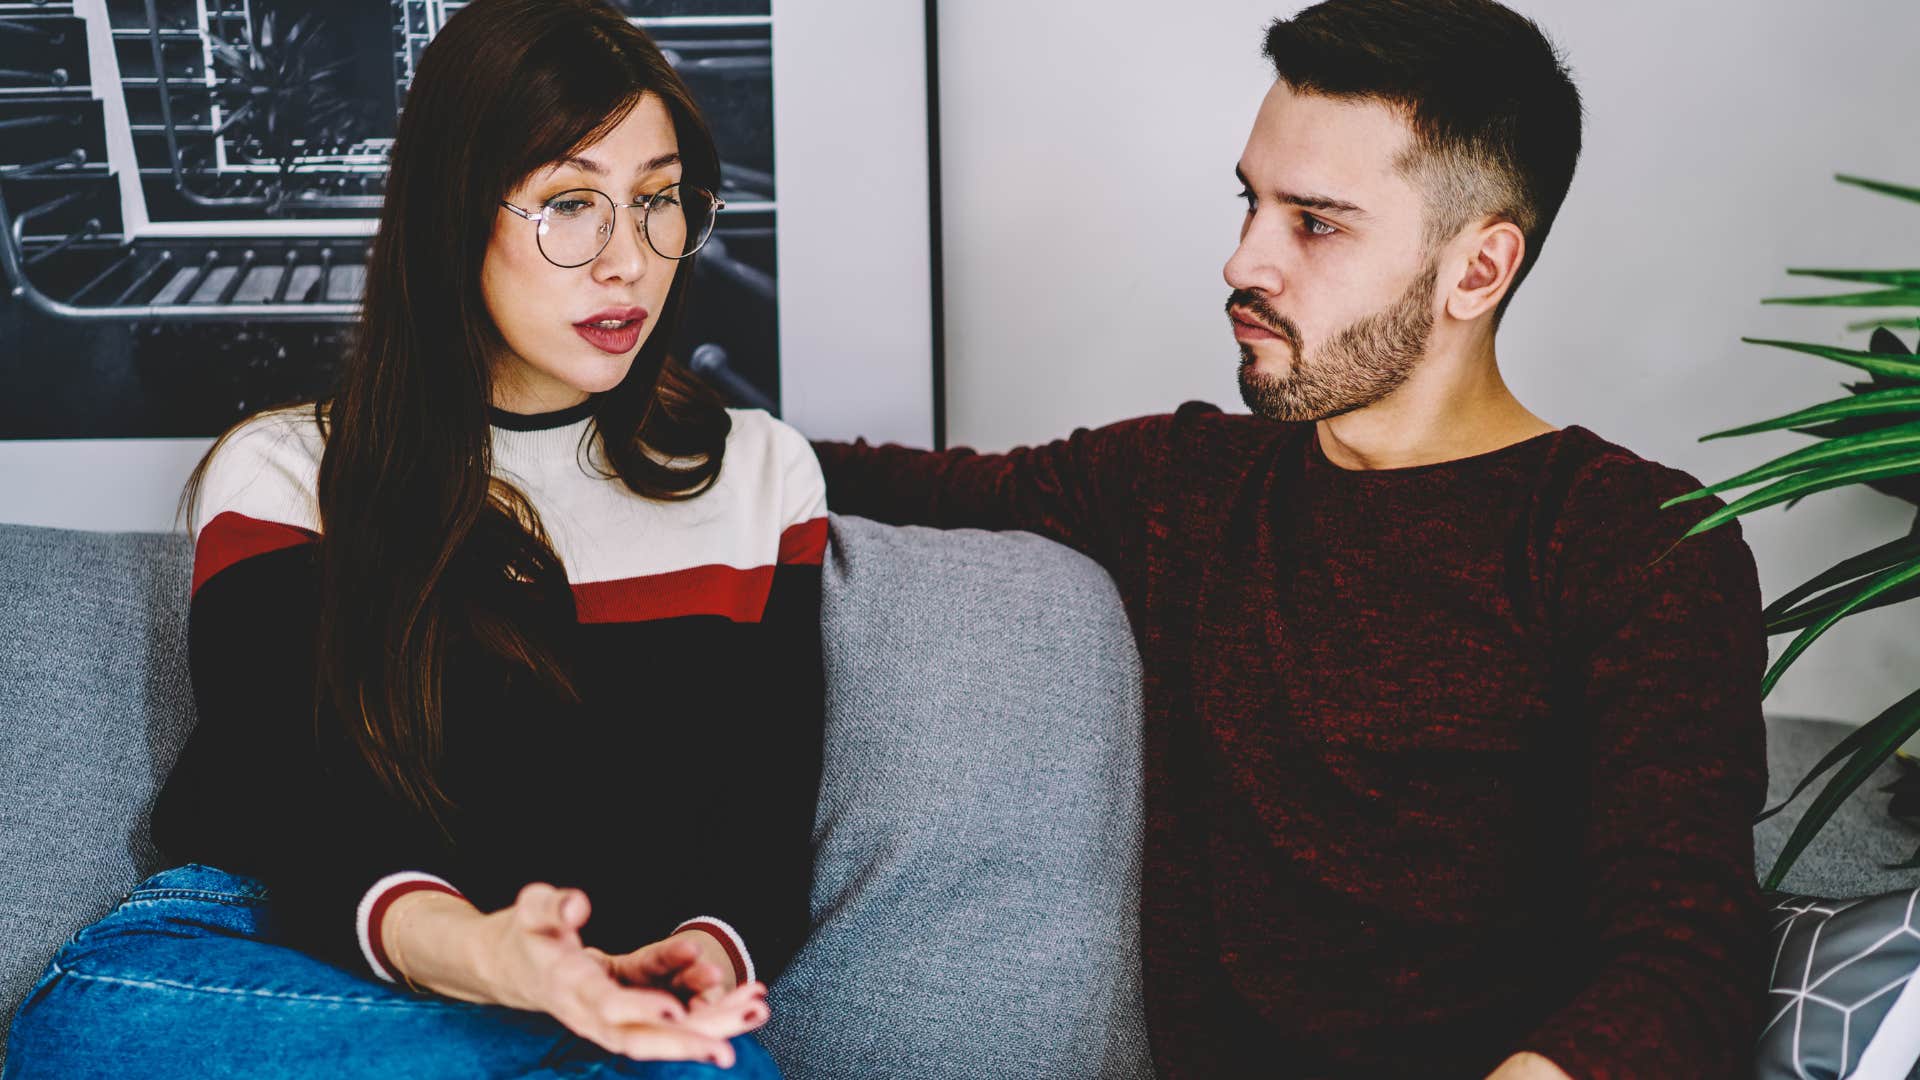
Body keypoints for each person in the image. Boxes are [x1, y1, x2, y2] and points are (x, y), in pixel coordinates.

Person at [812, 1, 1767, 1078]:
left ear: (1478, 271)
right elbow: (882, 482)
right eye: (1250, 203)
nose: (1241, 263)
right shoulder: (1185, 484)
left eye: (1314, 222)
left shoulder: (1633, 545)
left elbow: (1685, 959)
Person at [2, 1, 824, 1076]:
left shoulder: (761, 475)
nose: (629, 259)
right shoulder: (289, 469)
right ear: (450, 217)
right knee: (89, 1032)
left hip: (578, 994)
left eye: (659, 200)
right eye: (572, 204)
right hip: (273, 958)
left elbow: (759, 830)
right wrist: (505, 967)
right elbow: (303, 822)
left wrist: (692, 961)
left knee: (688, 1063)